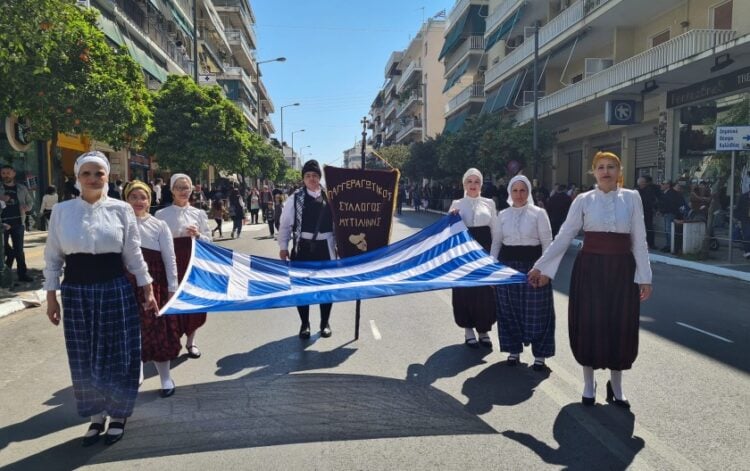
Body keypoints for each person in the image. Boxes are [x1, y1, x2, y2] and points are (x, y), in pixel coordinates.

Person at [44, 151, 157, 446]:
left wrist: (147, 287)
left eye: (99, 173)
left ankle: (118, 414)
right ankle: (96, 416)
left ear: (108, 176)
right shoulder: (62, 211)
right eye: (87, 173)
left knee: (118, 353)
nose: (93, 179)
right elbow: (53, 256)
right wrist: (51, 296)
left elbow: (133, 252)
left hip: (114, 287)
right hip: (77, 291)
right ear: (78, 177)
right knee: (85, 355)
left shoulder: (121, 210)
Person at [528, 151, 652, 408]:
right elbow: (564, 236)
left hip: (622, 270)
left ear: (620, 171)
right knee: (589, 322)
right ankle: (588, 382)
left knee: (620, 323)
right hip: (590, 269)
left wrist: (644, 277)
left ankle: (616, 384)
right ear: (594, 172)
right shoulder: (583, 200)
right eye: (601, 167)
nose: (606, 172)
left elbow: (639, 239)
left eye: (611, 167)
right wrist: (541, 267)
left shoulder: (632, 198)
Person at [490, 175, 555, 370]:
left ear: (529, 192)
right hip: (508, 268)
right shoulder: (502, 215)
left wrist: (545, 271)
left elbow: (547, 243)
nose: (519, 195)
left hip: (534, 267)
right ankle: (513, 351)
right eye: (515, 191)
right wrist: (492, 270)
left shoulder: (539, 213)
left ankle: (540, 355)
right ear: (510, 192)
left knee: (538, 312)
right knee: (509, 310)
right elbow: (496, 243)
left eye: (523, 190)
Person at [123, 181, 180, 398]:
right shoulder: (119, 223)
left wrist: (172, 287)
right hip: (125, 282)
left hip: (153, 283)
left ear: (150, 200)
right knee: (130, 330)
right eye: (133, 197)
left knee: (156, 330)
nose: (138, 201)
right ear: (126, 199)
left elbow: (170, 257)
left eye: (143, 197)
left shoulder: (159, 225)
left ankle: (165, 377)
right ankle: (135, 372)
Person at [278, 160, 337, 339]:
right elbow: (285, 225)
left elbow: (338, 223)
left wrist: (341, 246)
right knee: (301, 288)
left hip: (326, 248)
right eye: (308, 176)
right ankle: (305, 324)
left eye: (315, 175)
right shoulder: (295, 198)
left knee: (326, 287)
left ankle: (324, 322)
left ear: (320, 178)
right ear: (303, 178)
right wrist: (283, 246)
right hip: (302, 247)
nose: (312, 179)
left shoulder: (330, 197)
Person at [155, 174, 211, 359]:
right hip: (170, 263)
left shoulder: (199, 214)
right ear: (171, 190)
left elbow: (209, 241)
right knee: (171, 300)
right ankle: (173, 340)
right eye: (179, 187)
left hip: (192, 263)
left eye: (186, 188)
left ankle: (191, 341)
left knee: (194, 303)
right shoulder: (161, 215)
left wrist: (198, 236)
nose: (183, 191)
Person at [448, 168, 498, 349]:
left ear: (481, 185)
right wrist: (452, 218)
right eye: (469, 181)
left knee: (485, 293)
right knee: (465, 292)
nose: (473, 185)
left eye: (476, 181)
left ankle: (483, 330)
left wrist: (493, 257)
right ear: (464, 184)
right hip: (464, 254)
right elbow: (451, 233)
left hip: (484, 252)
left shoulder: (489, 203)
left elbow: (496, 231)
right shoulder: (457, 203)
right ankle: (468, 329)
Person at [0, 164, 35, 282]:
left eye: (8, 173)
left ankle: (22, 274)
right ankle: (5, 274)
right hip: (1, 224)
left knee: (19, 251)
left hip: (18, 223)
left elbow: (30, 203)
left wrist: (26, 207)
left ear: (13, 173)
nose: (6, 175)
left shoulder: (21, 188)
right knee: (4, 250)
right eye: (3, 173)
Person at [657, 180, 685, 252]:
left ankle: (670, 246)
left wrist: (662, 211)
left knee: (669, 230)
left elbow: (671, 205)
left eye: (663, 183)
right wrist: (660, 211)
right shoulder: (665, 193)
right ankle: (668, 245)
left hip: (670, 214)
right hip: (667, 213)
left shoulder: (672, 194)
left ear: (668, 185)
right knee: (667, 230)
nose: (661, 185)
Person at [637, 175, 659, 249]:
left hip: (647, 211)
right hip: (641, 212)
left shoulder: (649, 190)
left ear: (644, 183)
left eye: (640, 183)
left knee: (648, 228)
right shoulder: (639, 190)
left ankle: (650, 244)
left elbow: (650, 201)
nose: (639, 185)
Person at [736, 188, 750, 259]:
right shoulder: (743, 197)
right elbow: (738, 208)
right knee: (747, 235)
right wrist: (739, 219)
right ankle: (747, 252)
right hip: (745, 219)